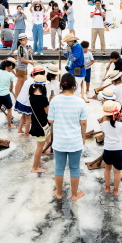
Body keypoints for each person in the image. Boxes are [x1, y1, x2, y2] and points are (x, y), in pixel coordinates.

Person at [48, 73, 88, 201]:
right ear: (74, 85)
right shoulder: (80, 101)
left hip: (59, 141)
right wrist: (83, 137)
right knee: (74, 168)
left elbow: (50, 120)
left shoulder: (54, 101)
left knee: (59, 168)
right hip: (75, 141)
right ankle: (74, 195)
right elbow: (83, 123)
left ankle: (59, 193)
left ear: (61, 85)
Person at [100, 100, 122, 196]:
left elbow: (105, 129)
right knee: (117, 172)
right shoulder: (121, 125)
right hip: (118, 150)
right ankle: (116, 190)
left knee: (107, 169)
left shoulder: (103, 124)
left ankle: (107, 187)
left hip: (108, 149)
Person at [27, 74, 50, 172]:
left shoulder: (31, 97)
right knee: (40, 147)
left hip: (36, 123)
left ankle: (38, 161)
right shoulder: (43, 98)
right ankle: (34, 167)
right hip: (42, 125)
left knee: (39, 145)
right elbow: (47, 112)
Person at [0, 59, 16, 133]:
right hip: (6, 95)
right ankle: (9, 125)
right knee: (9, 109)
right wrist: (10, 89)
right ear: (10, 66)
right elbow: (11, 86)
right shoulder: (11, 75)